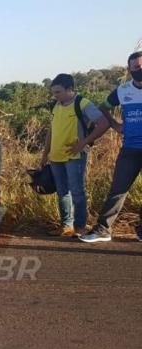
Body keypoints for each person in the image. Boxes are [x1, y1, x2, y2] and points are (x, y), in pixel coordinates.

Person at [80, 51, 142, 243]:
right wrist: (115, 125)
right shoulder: (122, 91)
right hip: (130, 148)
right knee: (118, 189)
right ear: (130, 70)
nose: (140, 70)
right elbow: (103, 106)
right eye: (136, 68)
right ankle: (102, 229)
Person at [39, 74, 109, 237]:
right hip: (56, 157)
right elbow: (52, 130)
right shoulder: (56, 105)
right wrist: (45, 154)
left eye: (58, 92)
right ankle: (66, 227)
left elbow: (103, 123)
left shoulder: (82, 103)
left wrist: (83, 143)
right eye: (53, 92)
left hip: (74, 156)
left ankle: (80, 227)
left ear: (70, 89)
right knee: (62, 192)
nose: (55, 96)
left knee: (77, 192)